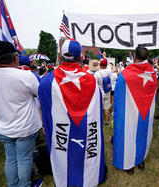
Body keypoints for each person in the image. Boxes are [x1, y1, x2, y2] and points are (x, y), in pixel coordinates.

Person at [38, 40, 106, 187]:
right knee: (84, 150)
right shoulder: (91, 81)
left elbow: (43, 108)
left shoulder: (46, 83)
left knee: (64, 153)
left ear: (60, 56)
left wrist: (44, 124)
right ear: (81, 57)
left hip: (61, 132)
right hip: (87, 129)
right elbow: (97, 109)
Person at [0, 41, 42, 186]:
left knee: (11, 158)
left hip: (3, 126)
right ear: (15, 58)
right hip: (25, 128)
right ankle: (24, 185)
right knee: (24, 159)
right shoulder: (26, 76)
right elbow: (40, 95)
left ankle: (13, 184)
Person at [113, 47, 157, 175]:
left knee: (128, 135)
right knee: (142, 135)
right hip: (145, 113)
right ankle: (140, 160)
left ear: (135, 57)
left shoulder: (126, 73)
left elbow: (118, 94)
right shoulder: (152, 73)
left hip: (129, 112)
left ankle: (128, 163)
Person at [94, 58, 112, 126]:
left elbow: (95, 84)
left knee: (99, 108)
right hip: (107, 92)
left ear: (100, 65)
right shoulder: (109, 71)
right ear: (106, 65)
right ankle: (106, 121)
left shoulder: (97, 73)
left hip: (100, 93)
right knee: (106, 107)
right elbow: (108, 65)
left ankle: (99, 121)